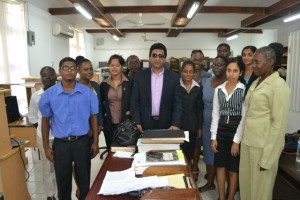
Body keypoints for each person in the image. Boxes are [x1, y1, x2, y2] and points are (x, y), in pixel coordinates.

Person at [39, 57, 99, 200]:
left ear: (77, 71)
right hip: (61, 144)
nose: (70, 71)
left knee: (84, 182)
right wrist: (46, 146)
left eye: (73, 67)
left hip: (82, 142)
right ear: (60, 71)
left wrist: (95, 142)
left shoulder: (88, 93)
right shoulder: (49, 95)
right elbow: (45, 121)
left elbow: (94, 117)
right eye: (66, 68)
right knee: (63, 183)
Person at [239, 46, 291, 200]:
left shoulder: (279, 87)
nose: (253, 65)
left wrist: (268, 159)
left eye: (257, 62)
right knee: (246, 188)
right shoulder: (257, 82)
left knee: (260, 193)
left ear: (270, 62)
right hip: (248, 143)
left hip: (263, 148)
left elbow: (278, 126)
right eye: (253, 61)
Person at [211, 57, 246, 200]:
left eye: (235, 71)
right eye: (229, 70)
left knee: (232, 169)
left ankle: (230, 197)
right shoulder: (218, 89)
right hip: (221, 132)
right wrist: (214, 137)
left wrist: (236, 141)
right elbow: (215, 114)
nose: (231, 74)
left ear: (241, 73)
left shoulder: (244, 90)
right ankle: (222, 197)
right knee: (220, 167)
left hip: (235, 132)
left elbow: (244, 118)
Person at [131, 42, 181, 132]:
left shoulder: (174, 78)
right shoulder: (140, 76)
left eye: (161, 56)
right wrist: (136, 122)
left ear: (165, 59)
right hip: (144, 124)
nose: (157, 58)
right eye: (154, 55)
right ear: (149, 57)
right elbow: (134, 102)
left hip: (168, 125)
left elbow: (177, 103)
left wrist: (175, 123)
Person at [197, 56, 227, 191]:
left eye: (220, 65)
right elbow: (200, 105)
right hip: (207, 123)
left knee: (221, 154)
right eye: (214, 65)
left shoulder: (230, 83)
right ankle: (210, 183)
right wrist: (200, 125)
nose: (216, 67)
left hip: (224, 125)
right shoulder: (206, 81)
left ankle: (222, 183)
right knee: (209, 154)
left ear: (226, 66)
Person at [75, 55, 103, 198]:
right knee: (81, 163)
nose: (89, 71)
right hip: (83, 131)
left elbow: (100, 109)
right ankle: (81, 189)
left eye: (91, 69)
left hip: (96, 128)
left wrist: (100, 126)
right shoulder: (75, 87)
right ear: (78, 71)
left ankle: (85, 188)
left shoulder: (96, 86)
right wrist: (88, 129)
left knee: (88, 160)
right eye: (85, 69)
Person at [28, 66, 57, 200]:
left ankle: (62, 192)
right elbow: (33, 117)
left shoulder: (62, 92)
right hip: (44, 137)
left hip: (60, 136)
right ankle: (50, 195)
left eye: (51, 74)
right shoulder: (36, 96)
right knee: (47, 167)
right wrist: (43, 131)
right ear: (41, 78)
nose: (48, 78)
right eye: (44, 75)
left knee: (62, 166)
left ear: (56, 76)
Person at [100, 54, 132, 150]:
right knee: (111, 149)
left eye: (117, 65)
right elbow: (100, 102)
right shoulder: (104, 84)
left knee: (126, 150)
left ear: (122, 67)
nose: (114, 68)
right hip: (109, 122)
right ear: (109, 66)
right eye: (112, 65)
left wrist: (130, 111)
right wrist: (104, 116)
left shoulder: (130, 82)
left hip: (126, 122)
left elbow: (135, 101)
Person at [179, 60, 203, 168]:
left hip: (192, 127)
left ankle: (188, 176)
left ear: (194, 73)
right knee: (179, 152)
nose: (188, 74)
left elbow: (199, 109)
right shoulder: (176, 86)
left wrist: (199, 127)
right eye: (185, 71)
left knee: (189, 153)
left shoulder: (198, 88)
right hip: (178, 126)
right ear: (181, 72)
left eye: (190, 72)